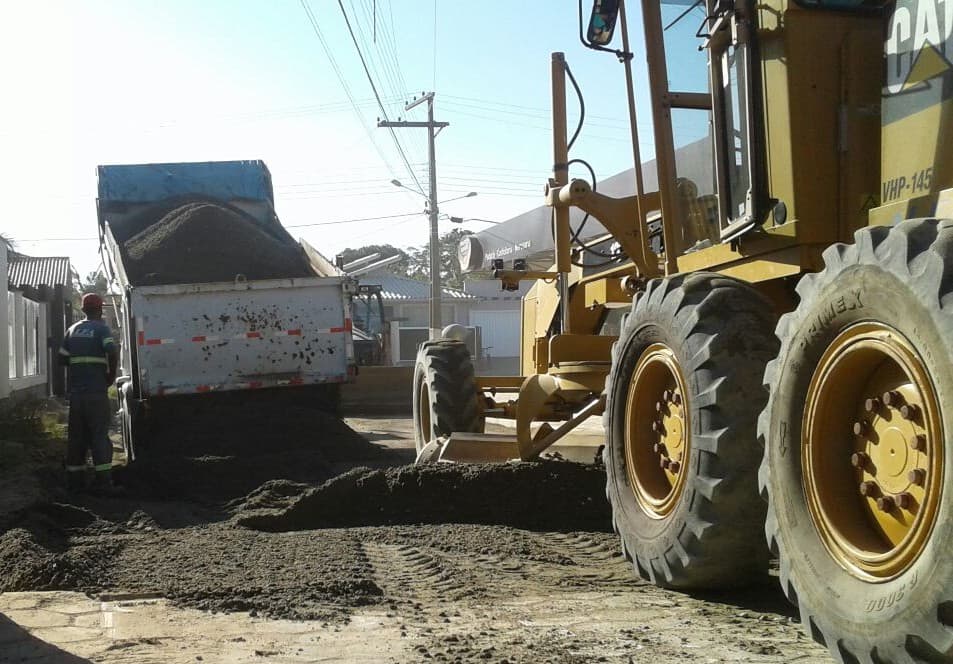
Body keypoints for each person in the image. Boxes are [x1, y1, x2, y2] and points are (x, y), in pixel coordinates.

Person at [60, 292, 120, 495]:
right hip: (96, 392)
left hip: (77, 395)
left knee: (76, 437)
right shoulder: (102, 329)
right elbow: (112, 351)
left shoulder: (71, 330)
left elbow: (63, 359)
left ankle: (75, 482)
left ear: (83, 309)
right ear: (100, 309)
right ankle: (103, 481)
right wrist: (110, 375)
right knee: (99, 435)